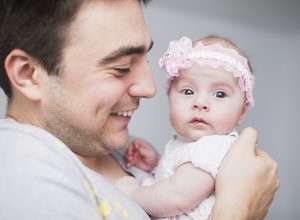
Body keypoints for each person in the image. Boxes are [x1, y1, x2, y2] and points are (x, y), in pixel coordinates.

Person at [0, 1, 279, 220]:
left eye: (144, 58)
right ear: (28, 74)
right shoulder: (22, 167)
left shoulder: (119, 148)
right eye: (121, 67)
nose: (150, 88)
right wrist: (237, 211)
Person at [115, 35, 260, 219]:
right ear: (169, 97)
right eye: (188, 91)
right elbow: (179, 178)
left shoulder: (215, 147)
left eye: (220, 94)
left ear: (242, 112)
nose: (200, 103)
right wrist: (155, 166)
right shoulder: (187, 142)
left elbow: (177, 197)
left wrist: (132, 193)